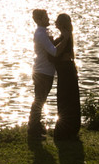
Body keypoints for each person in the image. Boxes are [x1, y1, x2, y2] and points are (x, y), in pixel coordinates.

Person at [29, 8, 57, 141]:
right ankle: (33, 129)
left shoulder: (44, 32)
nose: (48, 19)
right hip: (42, 72)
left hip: (46, 71)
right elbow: (53, 52)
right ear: (39, 20)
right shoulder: (41, 34)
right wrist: (66, 39)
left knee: (41, 99)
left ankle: (36, 126)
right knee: (39, 100)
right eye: (46, 17)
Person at [52, 12, 81, 141]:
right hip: (67, 71)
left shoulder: (65, 38)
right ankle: (70, 128)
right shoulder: (66, 37)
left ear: (61, 23)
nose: (54, 22)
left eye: (57, 20)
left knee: (65, 99)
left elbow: (55, 54)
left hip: (66, 73)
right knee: (69, 99)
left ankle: (65, 130)